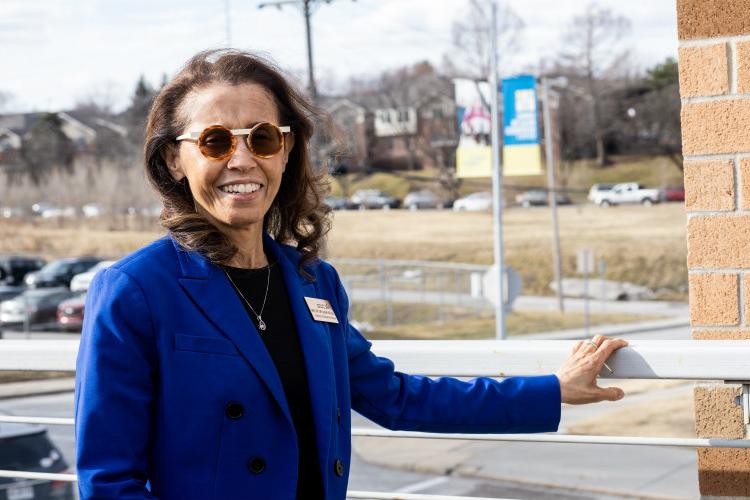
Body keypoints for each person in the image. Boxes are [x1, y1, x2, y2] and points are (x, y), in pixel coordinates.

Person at [74, 49, 627, 500]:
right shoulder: (136, 291)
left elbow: (399, 397)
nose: (241, 160)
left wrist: (551, 392)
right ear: (175, 159)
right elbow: (108, 481)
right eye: (215, 141)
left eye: (262, 137)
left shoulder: (314, 281)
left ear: (286, 151)